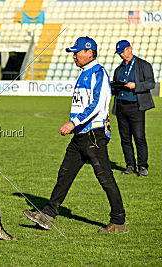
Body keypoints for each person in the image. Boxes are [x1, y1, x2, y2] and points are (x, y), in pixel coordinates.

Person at [24, 37, 128, 233]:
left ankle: (119, 221)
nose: (74, 56)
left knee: (105, 178)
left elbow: (97, 104)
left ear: (89, 53)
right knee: (64, 174)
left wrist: (74, 122)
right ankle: (47, 215)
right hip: (80, 135)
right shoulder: (84, 73)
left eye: (77, 52)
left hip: (94, 135)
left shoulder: (99, 73)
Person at [111, 40, 155, 177]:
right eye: (119, 53)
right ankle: (130, 165)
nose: (121, 55)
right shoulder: (119, 69)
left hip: (136, 106)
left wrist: (135, 85)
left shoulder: (144, 65)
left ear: (130, 49)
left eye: (123, 52)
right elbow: (115, 88)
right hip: (121, 106)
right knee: (125, 138)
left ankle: (142, 166)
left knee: (139, 137)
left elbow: (151, 83)